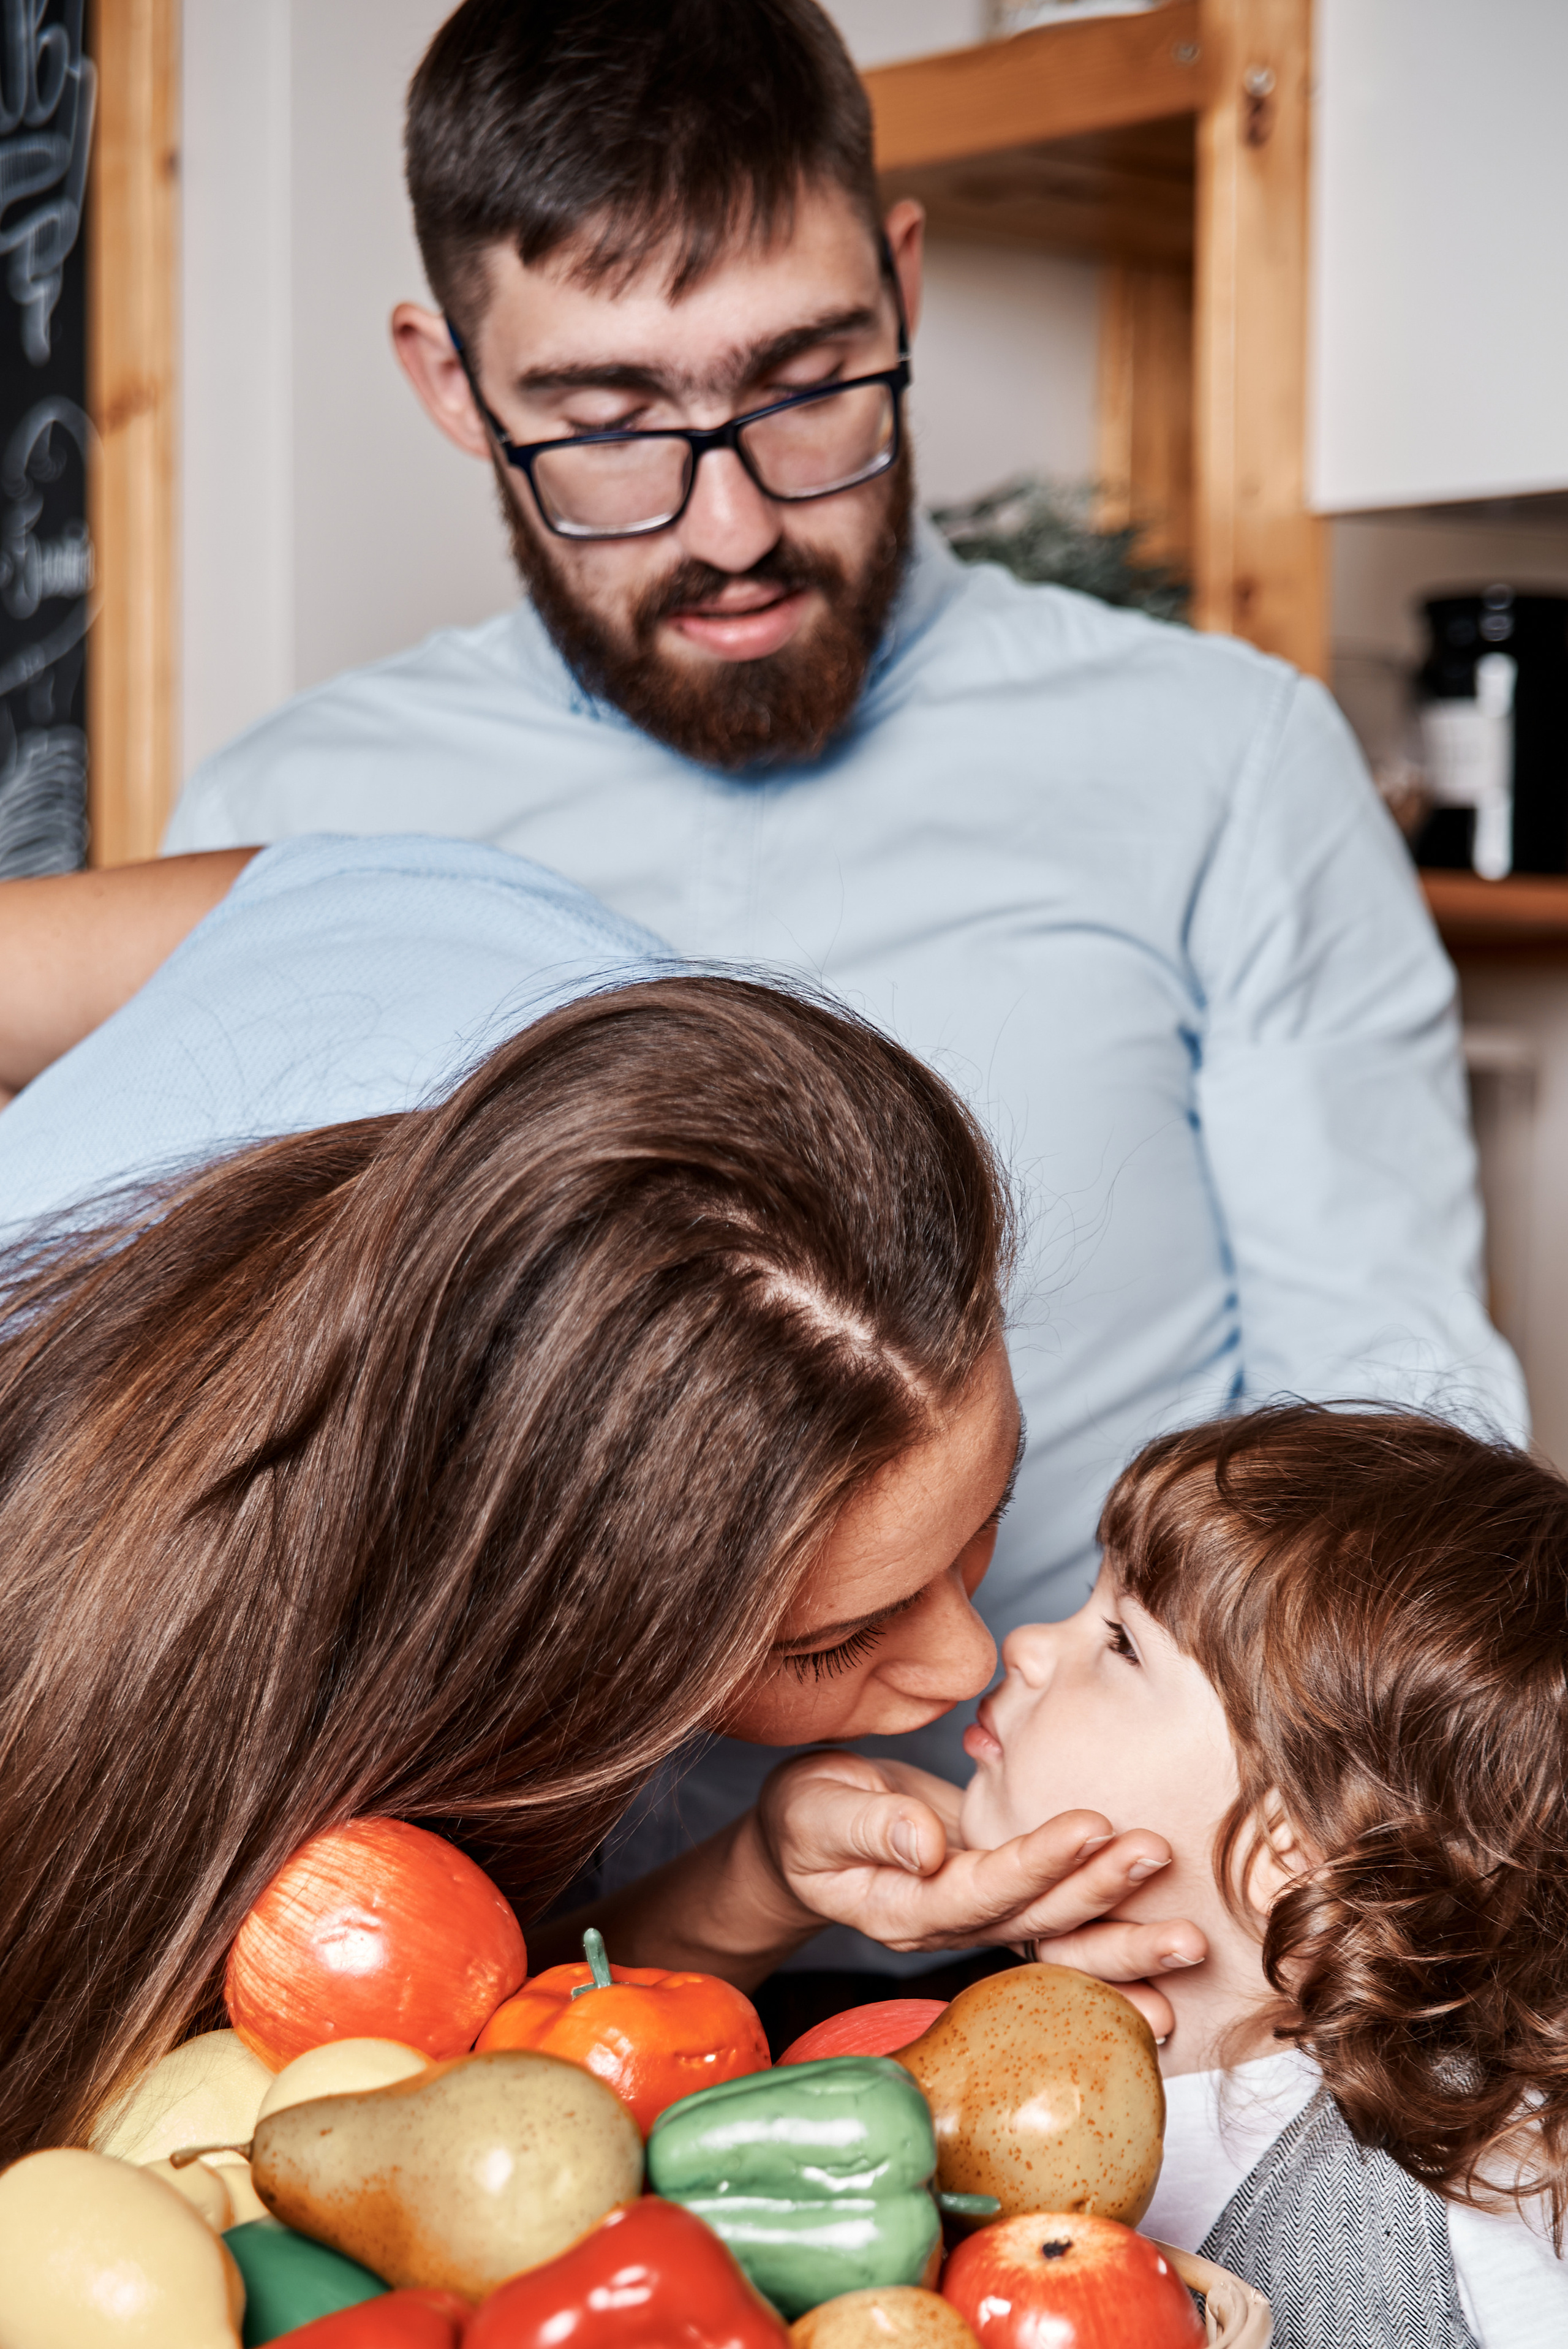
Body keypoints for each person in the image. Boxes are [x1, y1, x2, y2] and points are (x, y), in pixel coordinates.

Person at [158, 7, 1522, 1961]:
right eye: (612, 420)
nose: (733, 527)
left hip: (1129, 1956)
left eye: (806, 384)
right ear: (451, 383)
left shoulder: (1220, 760)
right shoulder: (296, 821)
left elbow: (1392, 1427)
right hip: (517, 1994)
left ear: (899, 278)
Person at [0, 840, 1204, 2160]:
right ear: (541, 1636)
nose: (970, 1663)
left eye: (987, 1513)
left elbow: (500, 2086)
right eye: (826, 1641)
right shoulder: (136, 1710)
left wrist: (759, 1879)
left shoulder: (533, 973)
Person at [784, 1403, 1567, 2345]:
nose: (1026, 1644)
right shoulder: (973, 2043)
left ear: (1297, 1845)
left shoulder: (1482, 2199)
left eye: (1120, 1642)